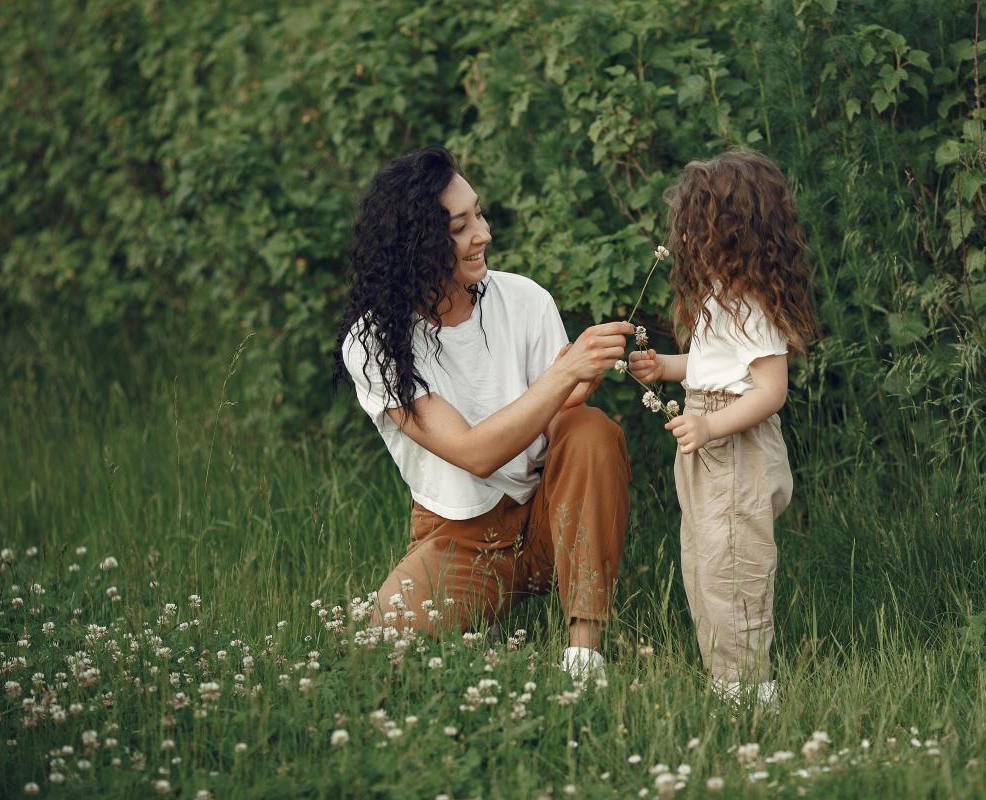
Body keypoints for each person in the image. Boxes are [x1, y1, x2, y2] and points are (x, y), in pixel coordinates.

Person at [335, 145, 634, 678]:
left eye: (479, 213)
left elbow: (560, 411)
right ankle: (485, 614)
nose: (483, 234)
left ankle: (584, 656)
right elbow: (474, 453)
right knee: (385, 646)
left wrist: (577, 381)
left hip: (545, 510)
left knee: (589, 429)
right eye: (460, 227)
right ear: (416, 246)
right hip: (460, 532)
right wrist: (563, 375)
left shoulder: (524, 299)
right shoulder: (376, 342)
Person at [628, 149, 818, 705]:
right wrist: (666, 367)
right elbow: (718, 367)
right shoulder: (720, 298)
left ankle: (747, 688)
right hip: (708, 439)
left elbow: (768, 390)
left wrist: (710, 429)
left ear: (735, 233)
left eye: (699, 228)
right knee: (707, 561)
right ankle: (726, 677)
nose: (688, 240)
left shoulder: (751, 305)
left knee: (734, 565)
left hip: (733, 447)